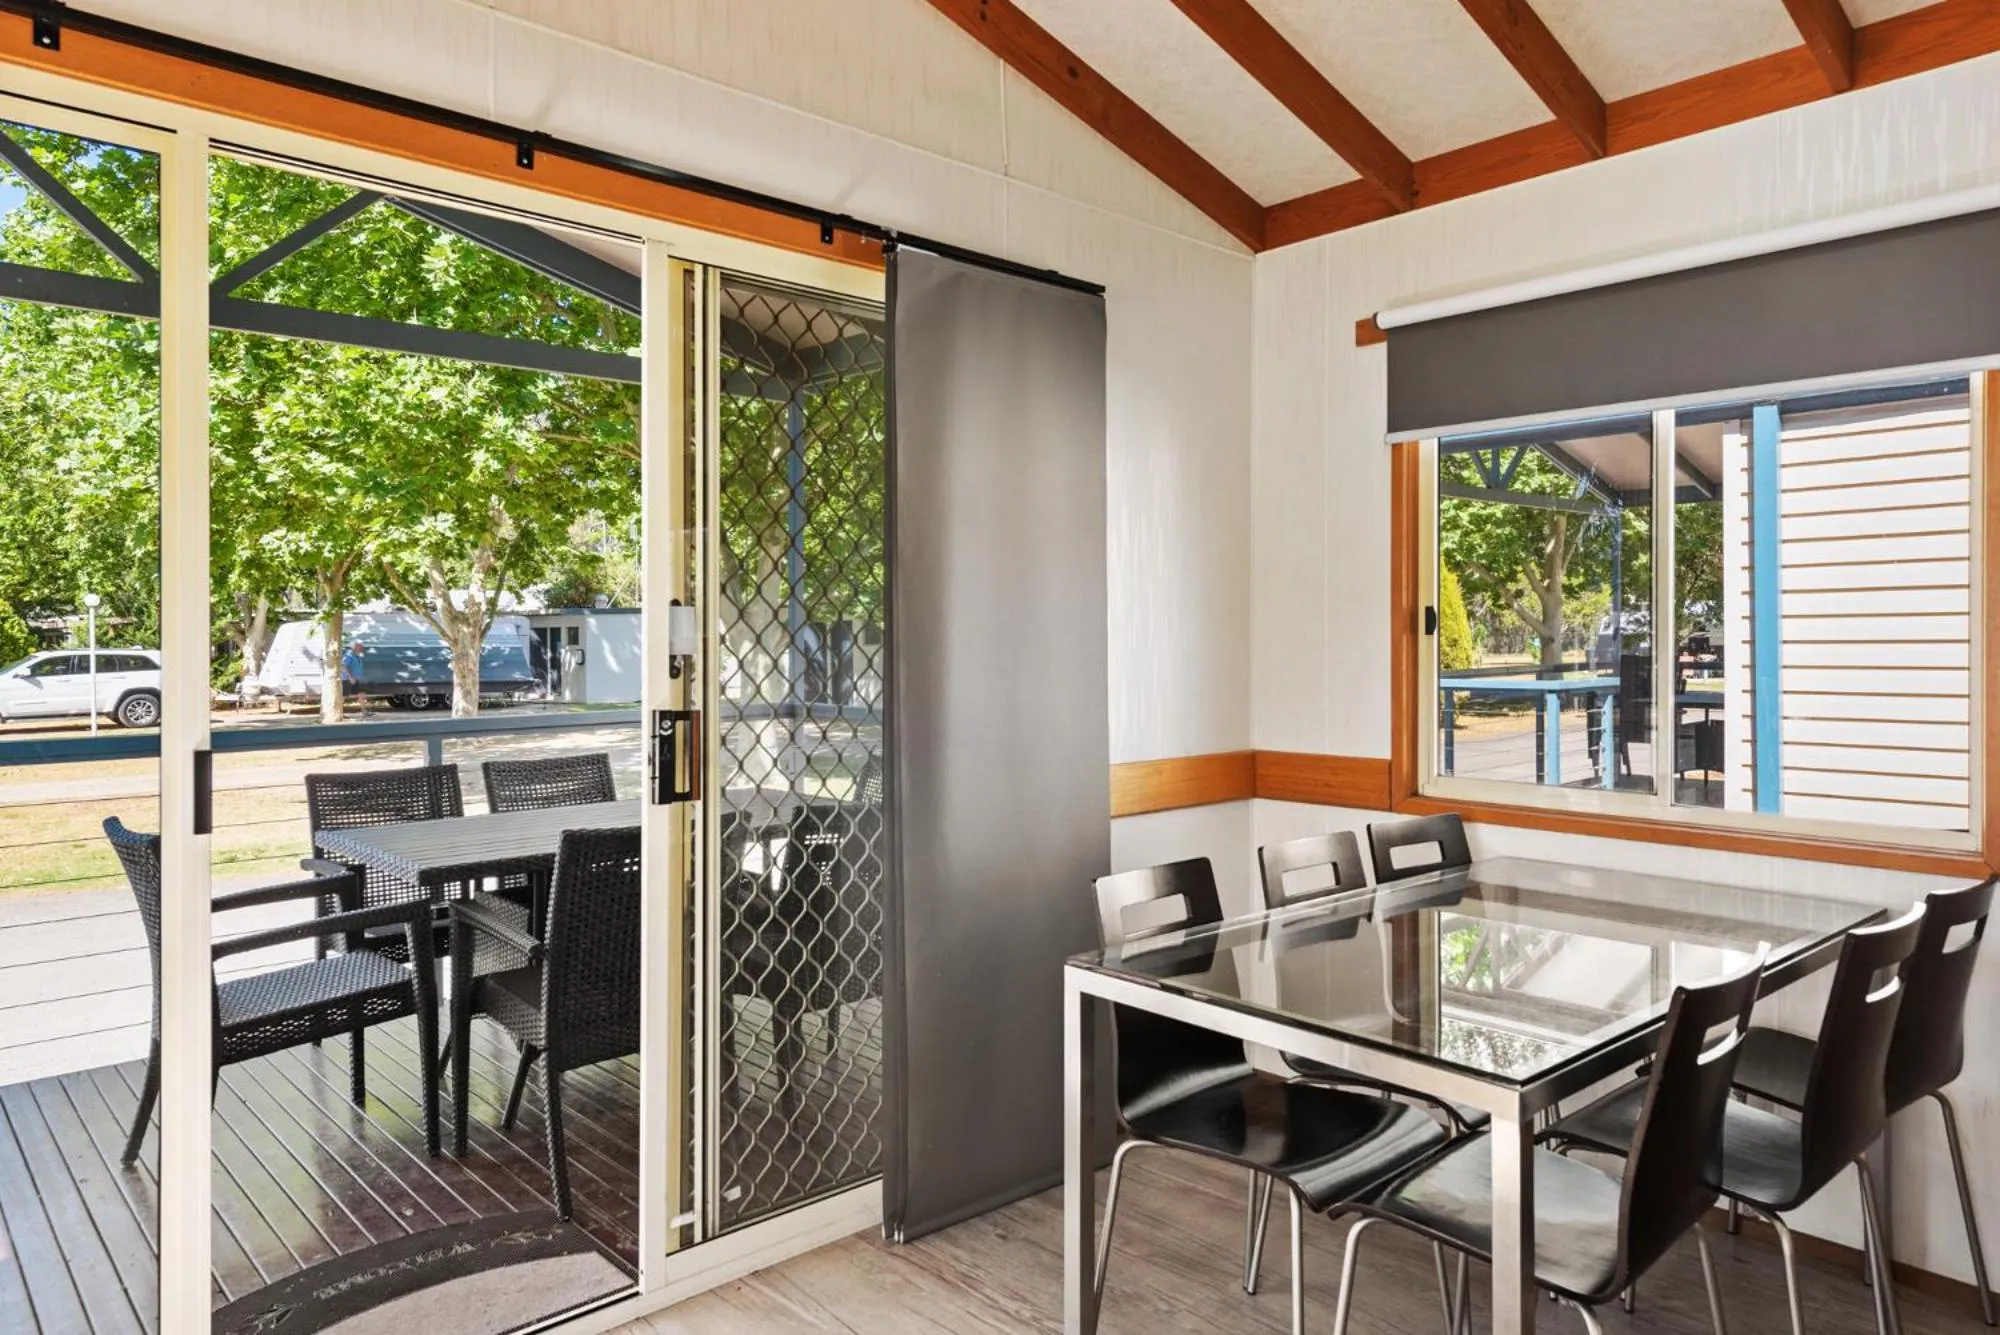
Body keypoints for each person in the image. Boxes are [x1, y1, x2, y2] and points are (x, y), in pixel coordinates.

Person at [340, 640, 368, 714]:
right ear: (354, 647)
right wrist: (350, 677)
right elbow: (343, 666)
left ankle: (364, 711)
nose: (362, 647)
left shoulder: (357, 655)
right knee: (344, 696)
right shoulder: (348, 655)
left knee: (361, 694)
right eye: (360, 646)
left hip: (355, 679)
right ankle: (338, 712)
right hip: (347, 679)